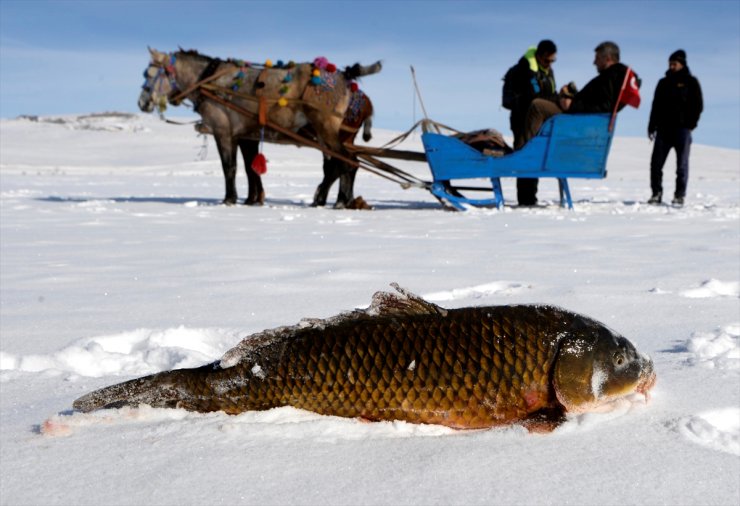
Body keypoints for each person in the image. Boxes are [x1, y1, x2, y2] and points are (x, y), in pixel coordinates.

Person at [518, 41, 638, 203]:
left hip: (574, 120)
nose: (594, 62)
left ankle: (525, 151)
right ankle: (528, 150)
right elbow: (599, 102)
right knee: (541, 105)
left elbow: (604, 106)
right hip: (575, 118)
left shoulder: (612, 76)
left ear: (607, 58)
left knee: (537, 106)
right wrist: (571, 96)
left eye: (597, 58)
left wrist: (573, 104)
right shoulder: (613, 76)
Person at [502, 40, 558, 205]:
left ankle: (530, 197)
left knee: (535, 155)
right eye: (547, 60)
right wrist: (557, 99)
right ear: (540, 56)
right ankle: (525, 199)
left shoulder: (546, 71)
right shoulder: (525, 70)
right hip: (522, 120)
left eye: (552, 61)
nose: (549, 64)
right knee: (524, 155)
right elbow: (534, 97)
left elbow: (547, 94)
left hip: (539, 121)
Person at [647, 50, 703, 206]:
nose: (671, 66)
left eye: (674, 64)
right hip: (663, 129)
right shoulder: (663, 83)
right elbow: (655, 106)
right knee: (656, 163)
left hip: (682, 130)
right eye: (670, 64)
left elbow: (698, 105)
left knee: (682, 165)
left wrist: (691, 124)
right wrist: (651, 126)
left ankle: (679, 195)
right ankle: (656, 193)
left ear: (682, 64)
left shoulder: (691, 82)